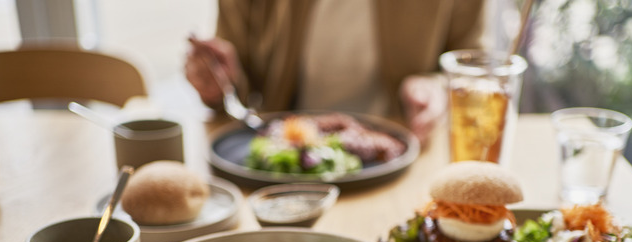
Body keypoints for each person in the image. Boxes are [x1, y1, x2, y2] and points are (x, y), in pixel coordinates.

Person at [185, 0, 487, 143]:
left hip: (405, 150)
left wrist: (435, 86)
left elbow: (475, 65)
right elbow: (234, 80)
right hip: (278, 157)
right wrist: (217, 82)